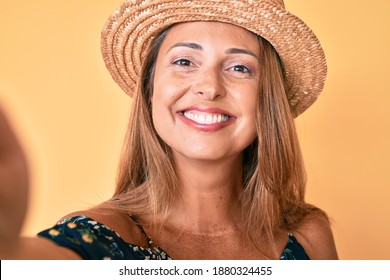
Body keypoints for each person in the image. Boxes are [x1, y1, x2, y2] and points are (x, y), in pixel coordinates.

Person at [0, 0, 338, 260]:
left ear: (267, 100)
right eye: (184, 62)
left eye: (239, 67)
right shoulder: (99, 239)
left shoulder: (309, 238)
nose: (209, 87)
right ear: (150, 88)